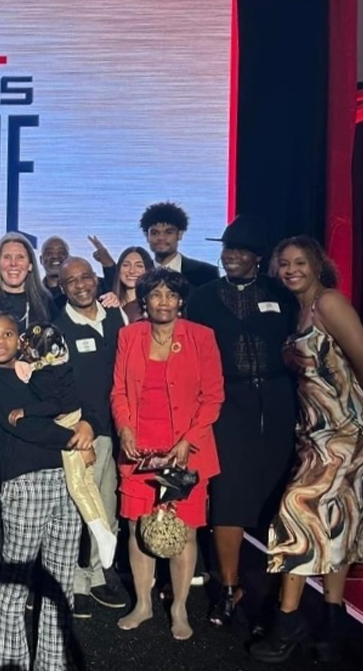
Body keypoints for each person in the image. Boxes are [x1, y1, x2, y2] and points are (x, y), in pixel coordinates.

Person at [251, 236, 363, 663]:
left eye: (299, 262)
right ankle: (332, 625)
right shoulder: (299, 309)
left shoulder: (330, 304)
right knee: (339, 521)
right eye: (283, 264)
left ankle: (288, 625)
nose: (290, 270)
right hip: (315, 434)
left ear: (317, 264)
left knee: (296, 514)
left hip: (347, 433)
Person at [184, 216, 298, 628]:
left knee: (281, 497)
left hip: (278, 401)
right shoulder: (202, 298)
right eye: (227, 249)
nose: (231, 255)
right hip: (226, 404)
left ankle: (280, 596)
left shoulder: (280, 295)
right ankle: (228, 588)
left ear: (257, 257)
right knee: (228, 494)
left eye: (240, 250)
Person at [0, 303, 96, 671]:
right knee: (16, 580)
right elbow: (26, 428)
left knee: (60, 580)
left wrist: (87, 425)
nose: (0, 341)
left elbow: (67, 401)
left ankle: (52, 664)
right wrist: (75, 439)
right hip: (25, 485)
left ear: (21, 340)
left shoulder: (35, 373)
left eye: (8, 334)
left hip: (66, 480)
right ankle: (6, 663)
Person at [111, 268, 223, 641]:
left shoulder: (201, 337)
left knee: (184, 532)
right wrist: (125, 427)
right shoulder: (129, 335)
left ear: (181, 301)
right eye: (155, 294)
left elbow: (213, 397)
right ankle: (143, 604)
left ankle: (178, 609)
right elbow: (118, 393)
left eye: (170, 295)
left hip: (185, 451)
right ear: (144, 300)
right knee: (137, 528)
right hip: (139, 449)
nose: (163, 301)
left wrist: (188, 441)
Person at [51, 258, 130, 614]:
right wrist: (80, 430)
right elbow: (60, 389)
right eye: (71, 281)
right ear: (62, 288)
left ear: (96, 281)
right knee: (81, 507)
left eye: (86, 277)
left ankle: (99, 573)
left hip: (121, 428)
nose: (80, 285)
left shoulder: (117, 316)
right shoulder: (57, 328)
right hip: (83, 431)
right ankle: (76, 580)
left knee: (109, 505)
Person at [0, 232, 57, 330]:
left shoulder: (45, 301)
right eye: (7, 257)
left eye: (20, 257)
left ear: (30, 265)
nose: (13, 263)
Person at [139, 202, 218, 288]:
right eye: (155, 233)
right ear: (147, 236)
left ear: (179, 234)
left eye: (168, 232)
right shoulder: (139, 274)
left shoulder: (205, 273)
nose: (161, 238)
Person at [111, 246, 155, 324]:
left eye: (139, 266)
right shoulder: (109, 302)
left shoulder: (154, 306)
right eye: (126, 265)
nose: (131, 271)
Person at [39, 237, 70, 303]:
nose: (55, 256)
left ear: (69, 258)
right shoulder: (33, 295)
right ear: (41, 260)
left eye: (61, 252)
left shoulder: (81, 289)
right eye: (49, 253)